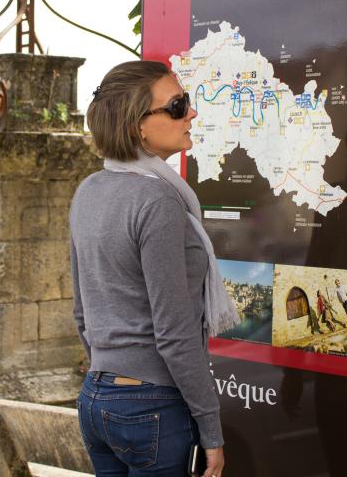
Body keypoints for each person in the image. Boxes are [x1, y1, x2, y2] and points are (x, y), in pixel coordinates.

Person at [70, 60, 239, 477]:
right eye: (178, 105)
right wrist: (212, 433)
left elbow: (81, 313)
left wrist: (113, 376)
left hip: (96, 397)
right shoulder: (159, 202)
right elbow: (175, 334)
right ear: (137, 126)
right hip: (153, 407)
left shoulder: (89, 191)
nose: (192, 113)